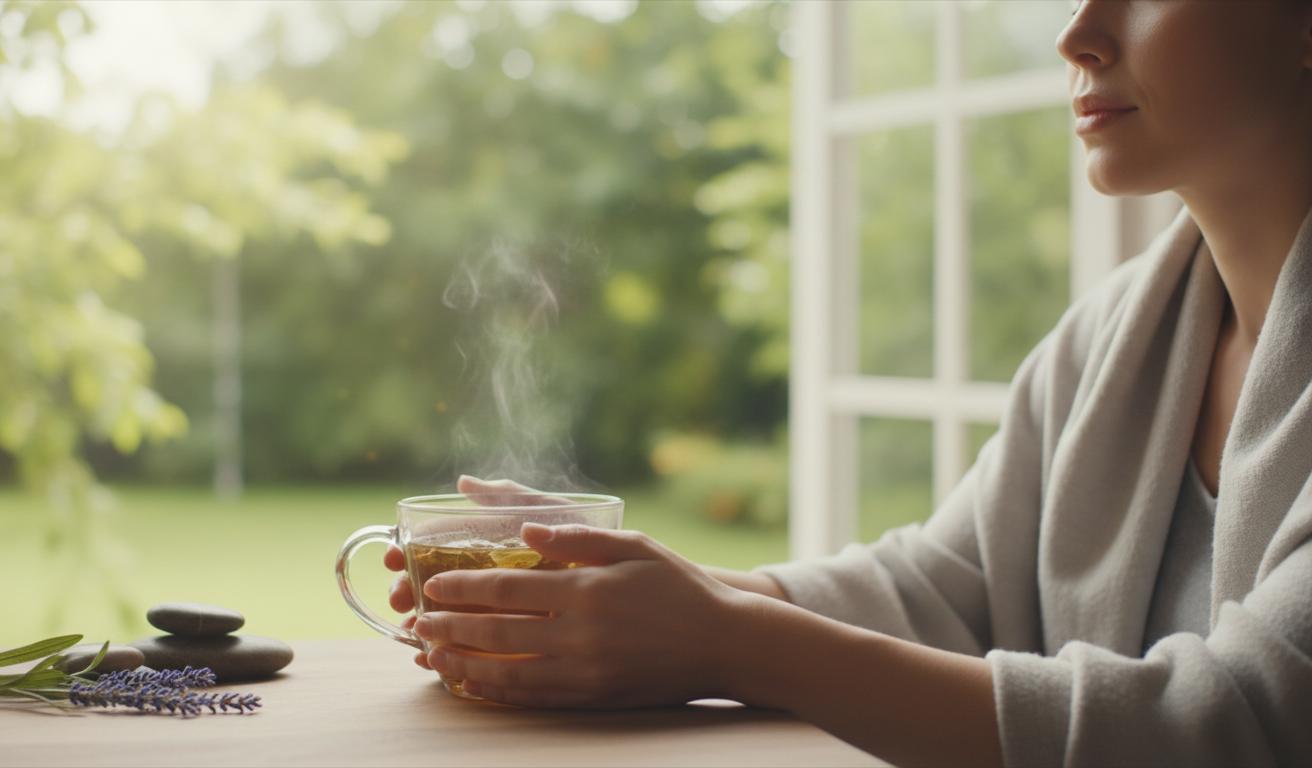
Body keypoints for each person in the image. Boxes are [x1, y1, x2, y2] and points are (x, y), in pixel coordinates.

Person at [383, 2, 1312, 765]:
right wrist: (631, 586)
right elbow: (946, 589)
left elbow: (1245, 723)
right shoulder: (1115, 337)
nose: (1077, 34)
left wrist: (730, 643)